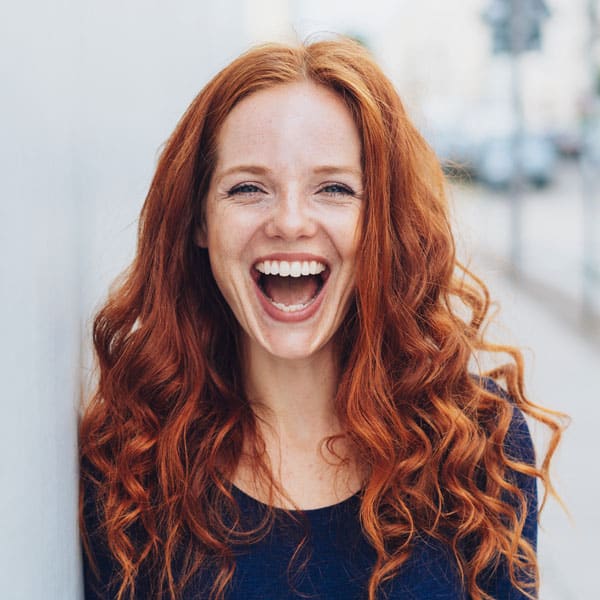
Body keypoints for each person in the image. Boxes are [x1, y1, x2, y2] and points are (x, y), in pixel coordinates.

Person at [79, 37, 564, 600]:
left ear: (381, 222)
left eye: (333, 188)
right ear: (198, 224)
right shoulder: (129, 467)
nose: (289, 221)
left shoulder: (479, 445)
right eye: (248, 188)